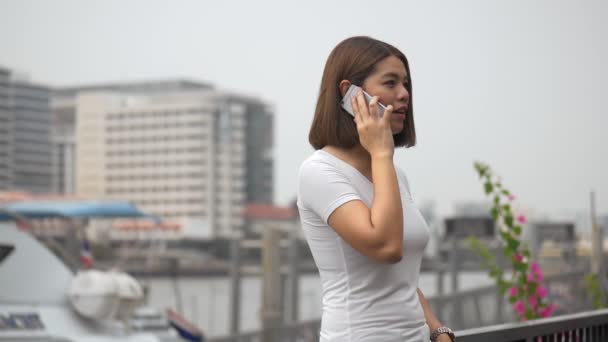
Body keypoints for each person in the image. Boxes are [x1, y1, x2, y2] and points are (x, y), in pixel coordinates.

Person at [297, 36, 455, 342]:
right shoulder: (319, 171)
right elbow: (386, 248)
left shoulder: (394, 175)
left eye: (406, 84)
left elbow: (402, 276)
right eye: (390, 83)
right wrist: (382, 153)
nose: (404, 94)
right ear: (349, 93)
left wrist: (437, 330)